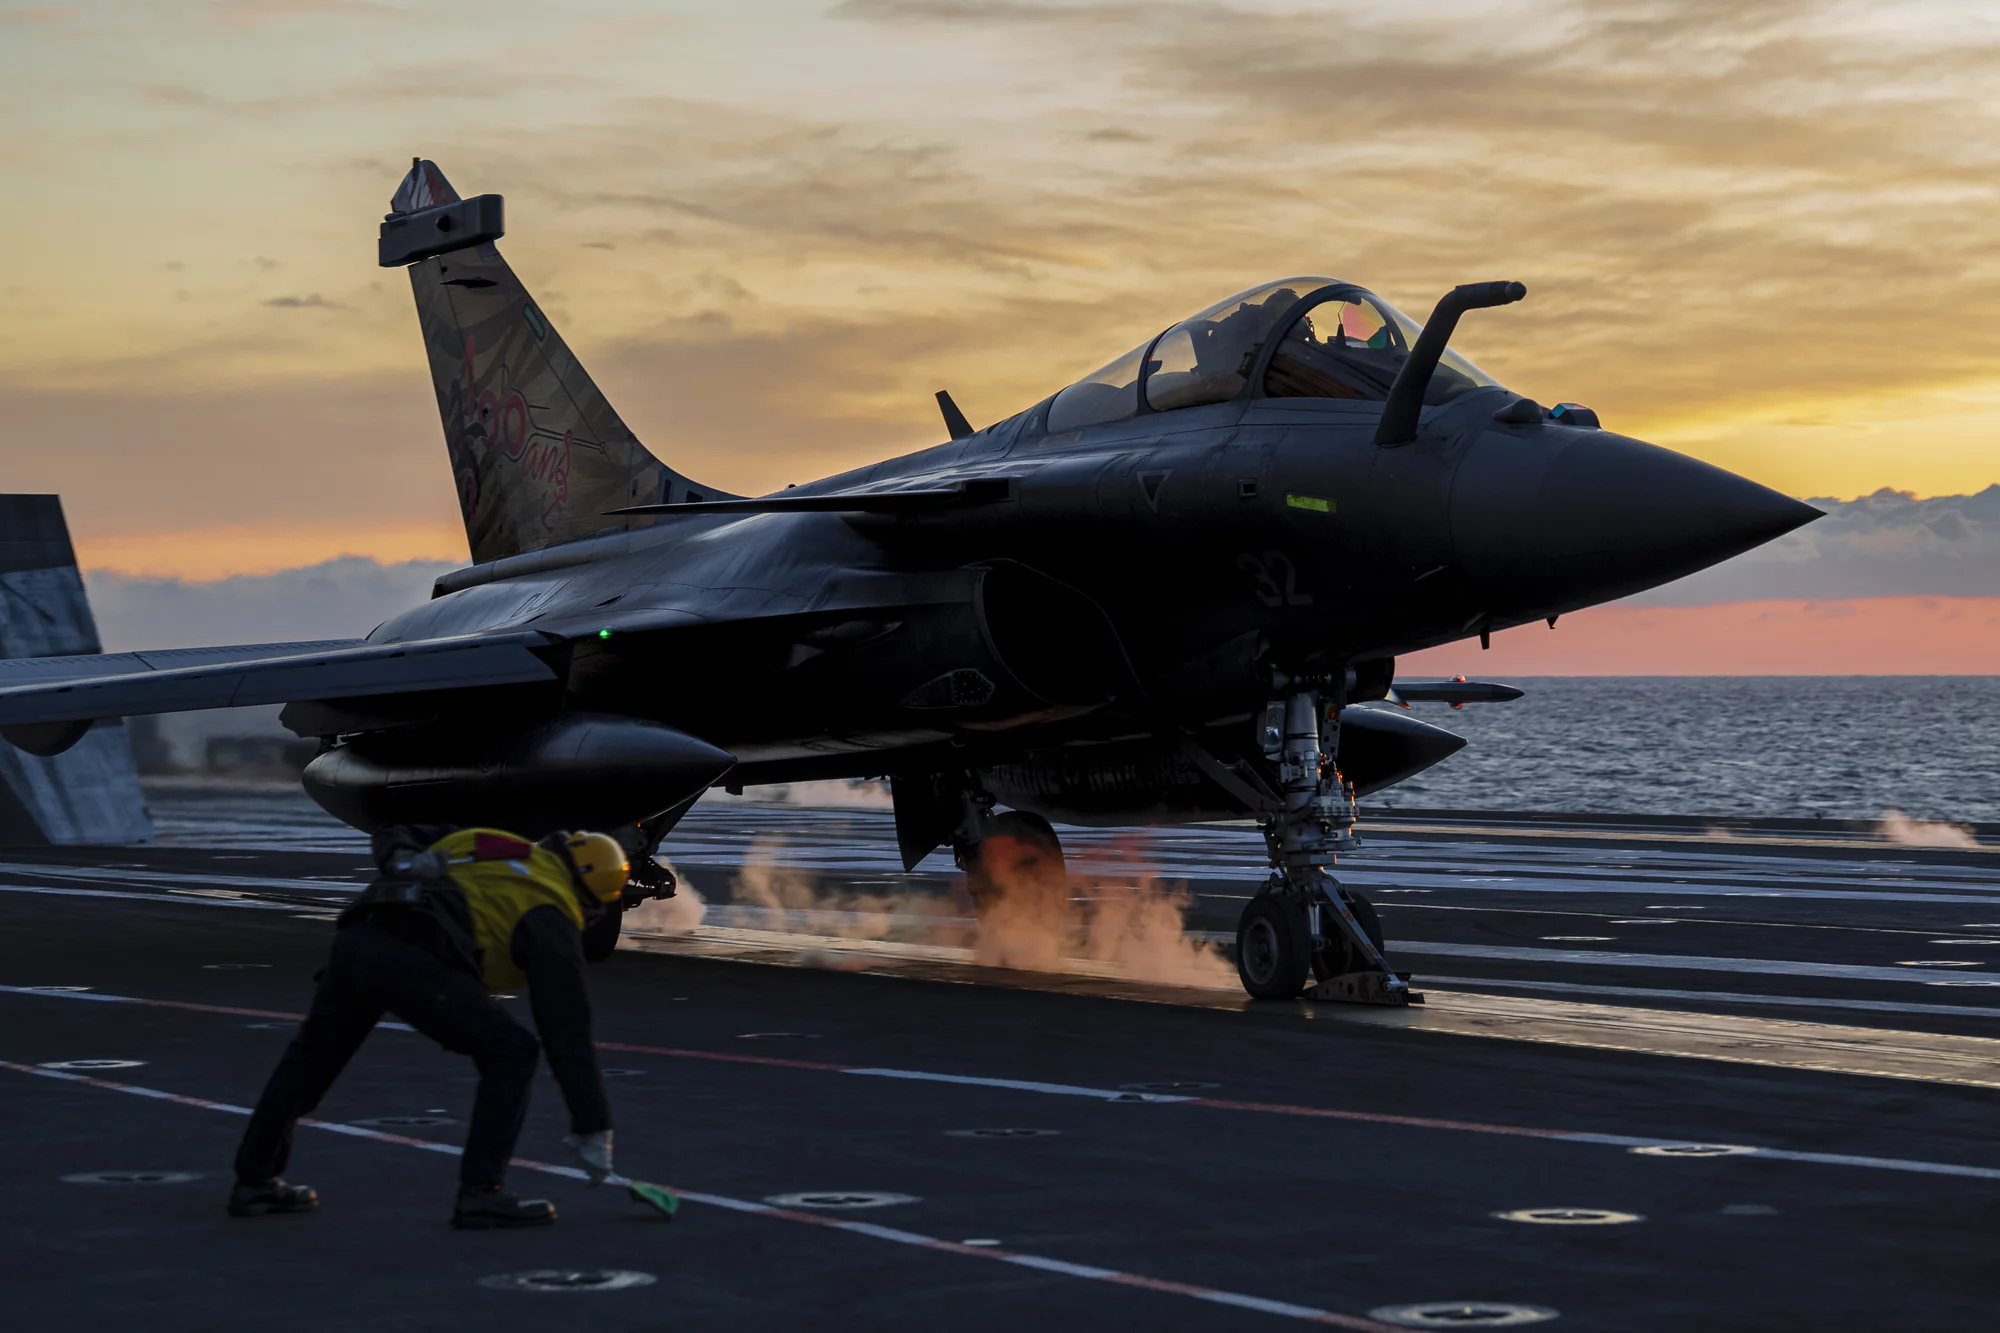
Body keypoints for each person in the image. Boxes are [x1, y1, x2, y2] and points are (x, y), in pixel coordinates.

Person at [228, 824, 629, 1229]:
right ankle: (481, 1193)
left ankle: (255, 1180)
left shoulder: (496, 844)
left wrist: (399, 857)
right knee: (513, 1052)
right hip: (415, 957)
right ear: (590, 897)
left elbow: (397, 824)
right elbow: (567, 1031)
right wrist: (592, 1126)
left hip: (359, 936)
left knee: (309, 1063)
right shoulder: (551, 909)